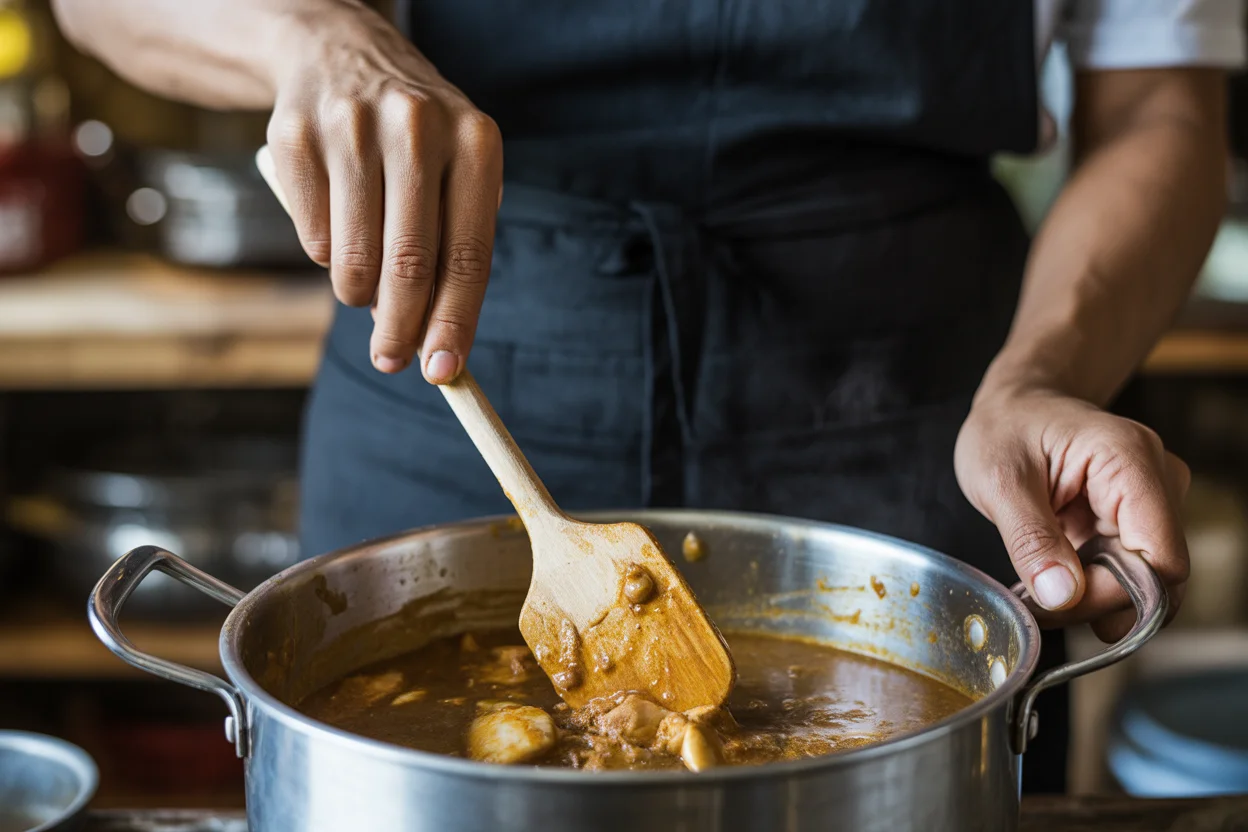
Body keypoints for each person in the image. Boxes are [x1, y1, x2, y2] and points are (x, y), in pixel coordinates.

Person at [52, 0, 1242, 791]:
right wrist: (306, 36)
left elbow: (1160, 106)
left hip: (925, 402)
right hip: (457, 338)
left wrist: (1044, 374)